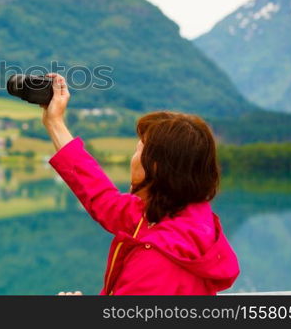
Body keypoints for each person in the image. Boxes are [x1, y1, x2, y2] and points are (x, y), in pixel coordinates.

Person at [41, 74, 239, 295]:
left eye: (137, 150)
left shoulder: (156, 259)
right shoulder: (186, 217)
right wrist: (55, 122)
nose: (132, 159)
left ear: (154, 166)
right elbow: (103, 199)